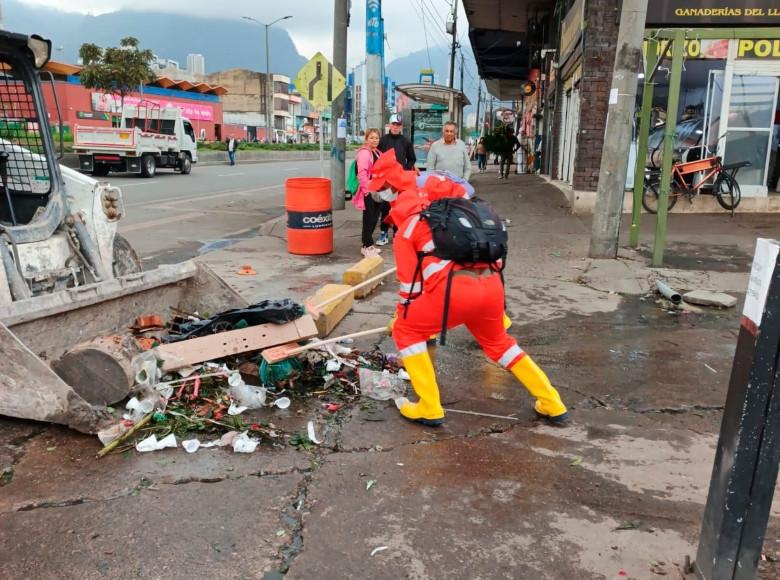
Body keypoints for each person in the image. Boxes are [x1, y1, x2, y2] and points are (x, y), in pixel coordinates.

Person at [375, 158, 569, 427]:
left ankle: (429, 406)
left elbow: (410, 288)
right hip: (491, 287)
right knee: (500, 344)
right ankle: (551, 401)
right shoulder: (463, 218)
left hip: (452, 295)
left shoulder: (407, 230)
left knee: (406, 331)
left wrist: (401, 318)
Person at [377, 113, 416, 246]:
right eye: (394, 124)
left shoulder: (406, 141)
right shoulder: (382, 141)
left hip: (400, 181)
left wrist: (406, 169)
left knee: (399, 208)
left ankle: (397, 232)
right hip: (386, 181)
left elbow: (412, 159)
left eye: (398, 125)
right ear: (389, 125)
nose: (395, 127)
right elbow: (377, 158)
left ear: (401, 127)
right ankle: (383, 233)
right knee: (385, 207)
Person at [352, 128, 383, 257]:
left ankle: (369, 245)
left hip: (377, 190)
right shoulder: (365, 153)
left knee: (375, 217)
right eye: (371, 138)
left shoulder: (376, 152)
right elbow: (362, 173)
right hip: (369, 190)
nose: (374, 140)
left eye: (376, 138)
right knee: (369, 218)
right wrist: (366, 191)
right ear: (366, 139)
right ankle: (366, 246)